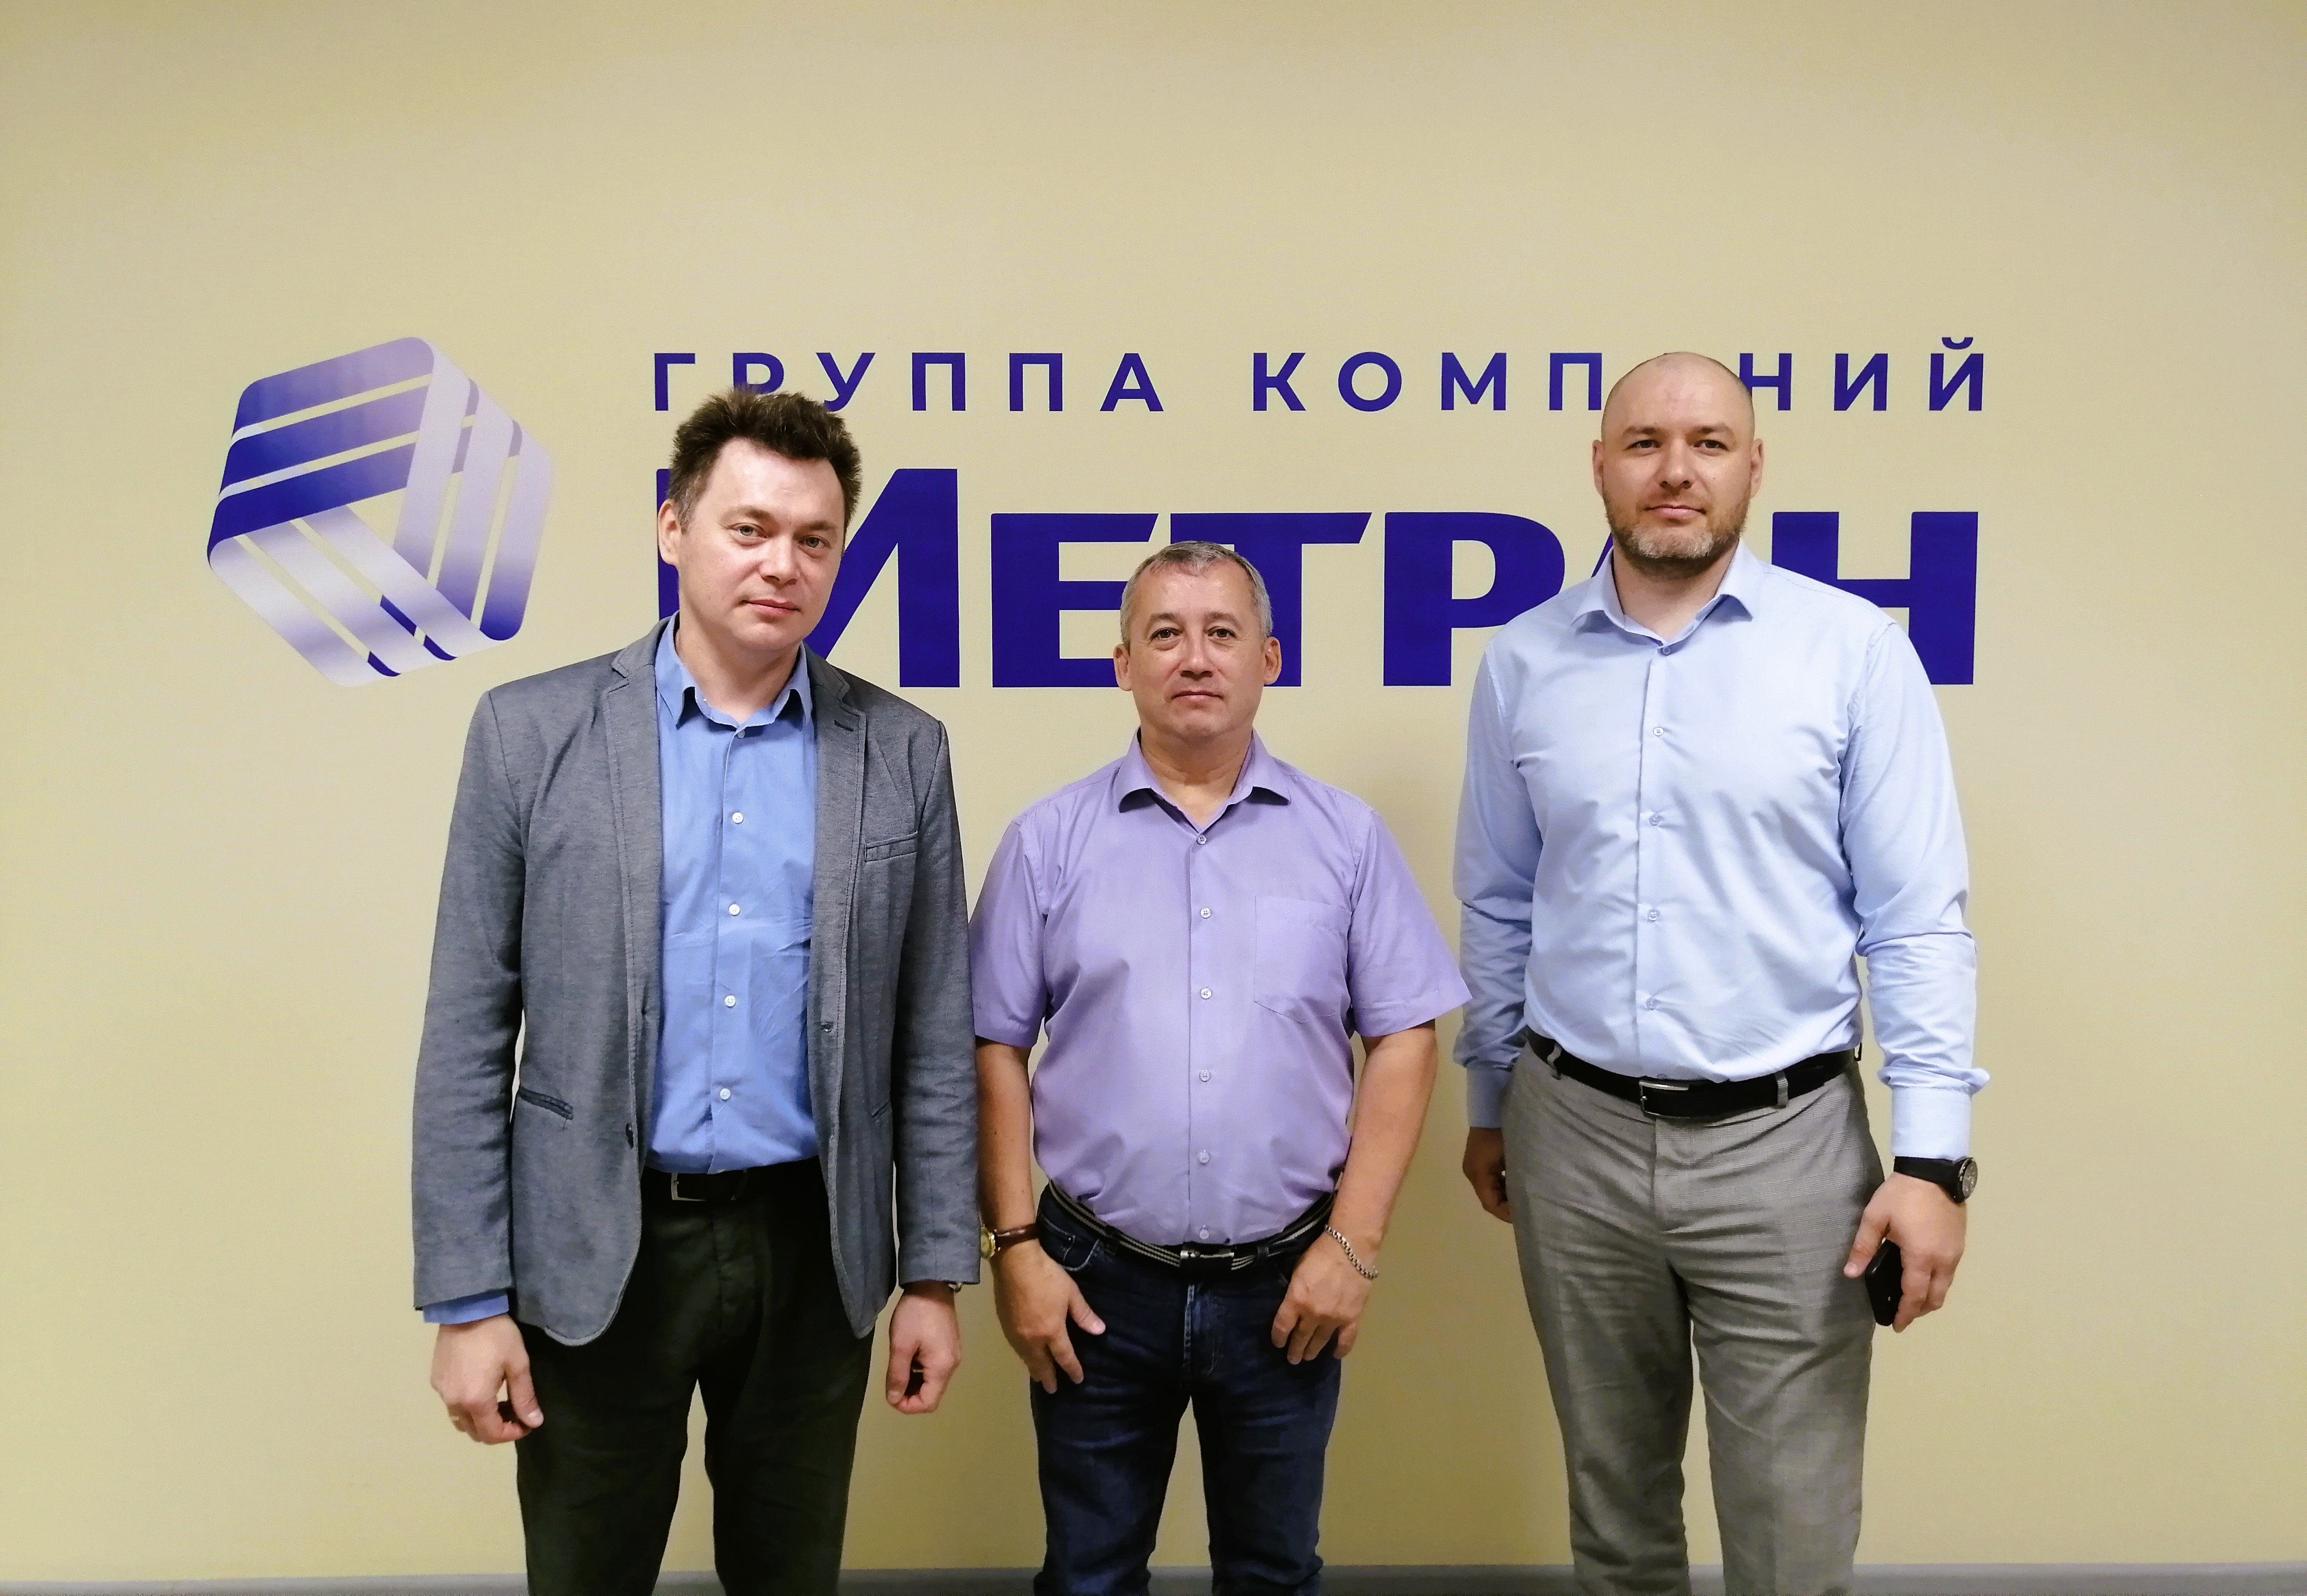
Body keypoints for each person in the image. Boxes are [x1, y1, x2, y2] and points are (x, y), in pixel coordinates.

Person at [411, 389, 978, 1596]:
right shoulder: (530, 734)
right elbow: (467, 1027)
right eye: (749, 528)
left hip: (814, 1249)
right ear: (673, 528)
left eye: (814, 539)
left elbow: (933, 1036)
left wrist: (933, 1273)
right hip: (596, 1245)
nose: (783, 564)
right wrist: (465, 1299)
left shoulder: (903, 750)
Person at [1454, 353, 1983, 1596]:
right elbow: (1499, 898)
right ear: (1601, 466)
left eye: (1707, 443)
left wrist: (1931, 1161)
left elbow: (1917, 922)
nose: (1675, 471)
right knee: (1615, 1519)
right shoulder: (1524, 660)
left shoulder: (1851, 652)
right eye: (1644, 443)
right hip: (1571, 1133)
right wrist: (1489, 1100)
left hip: (1786, 1148)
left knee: (1793, 1537)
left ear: (1754, 464)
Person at [971, 541, 1469, 1596]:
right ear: (1122, 664)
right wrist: (1015, 1248)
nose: (1193, 657)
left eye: (1220, 633)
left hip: (1286, 1281)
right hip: (1093, 1280)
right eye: (1164, 633)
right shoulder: (1046, 842)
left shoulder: (1345, 839)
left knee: (1274, 1571)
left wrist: (1353, 1246)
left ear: (1267, 659)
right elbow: (993, 1046)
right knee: (1088, 1574)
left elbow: (1405, 1037)